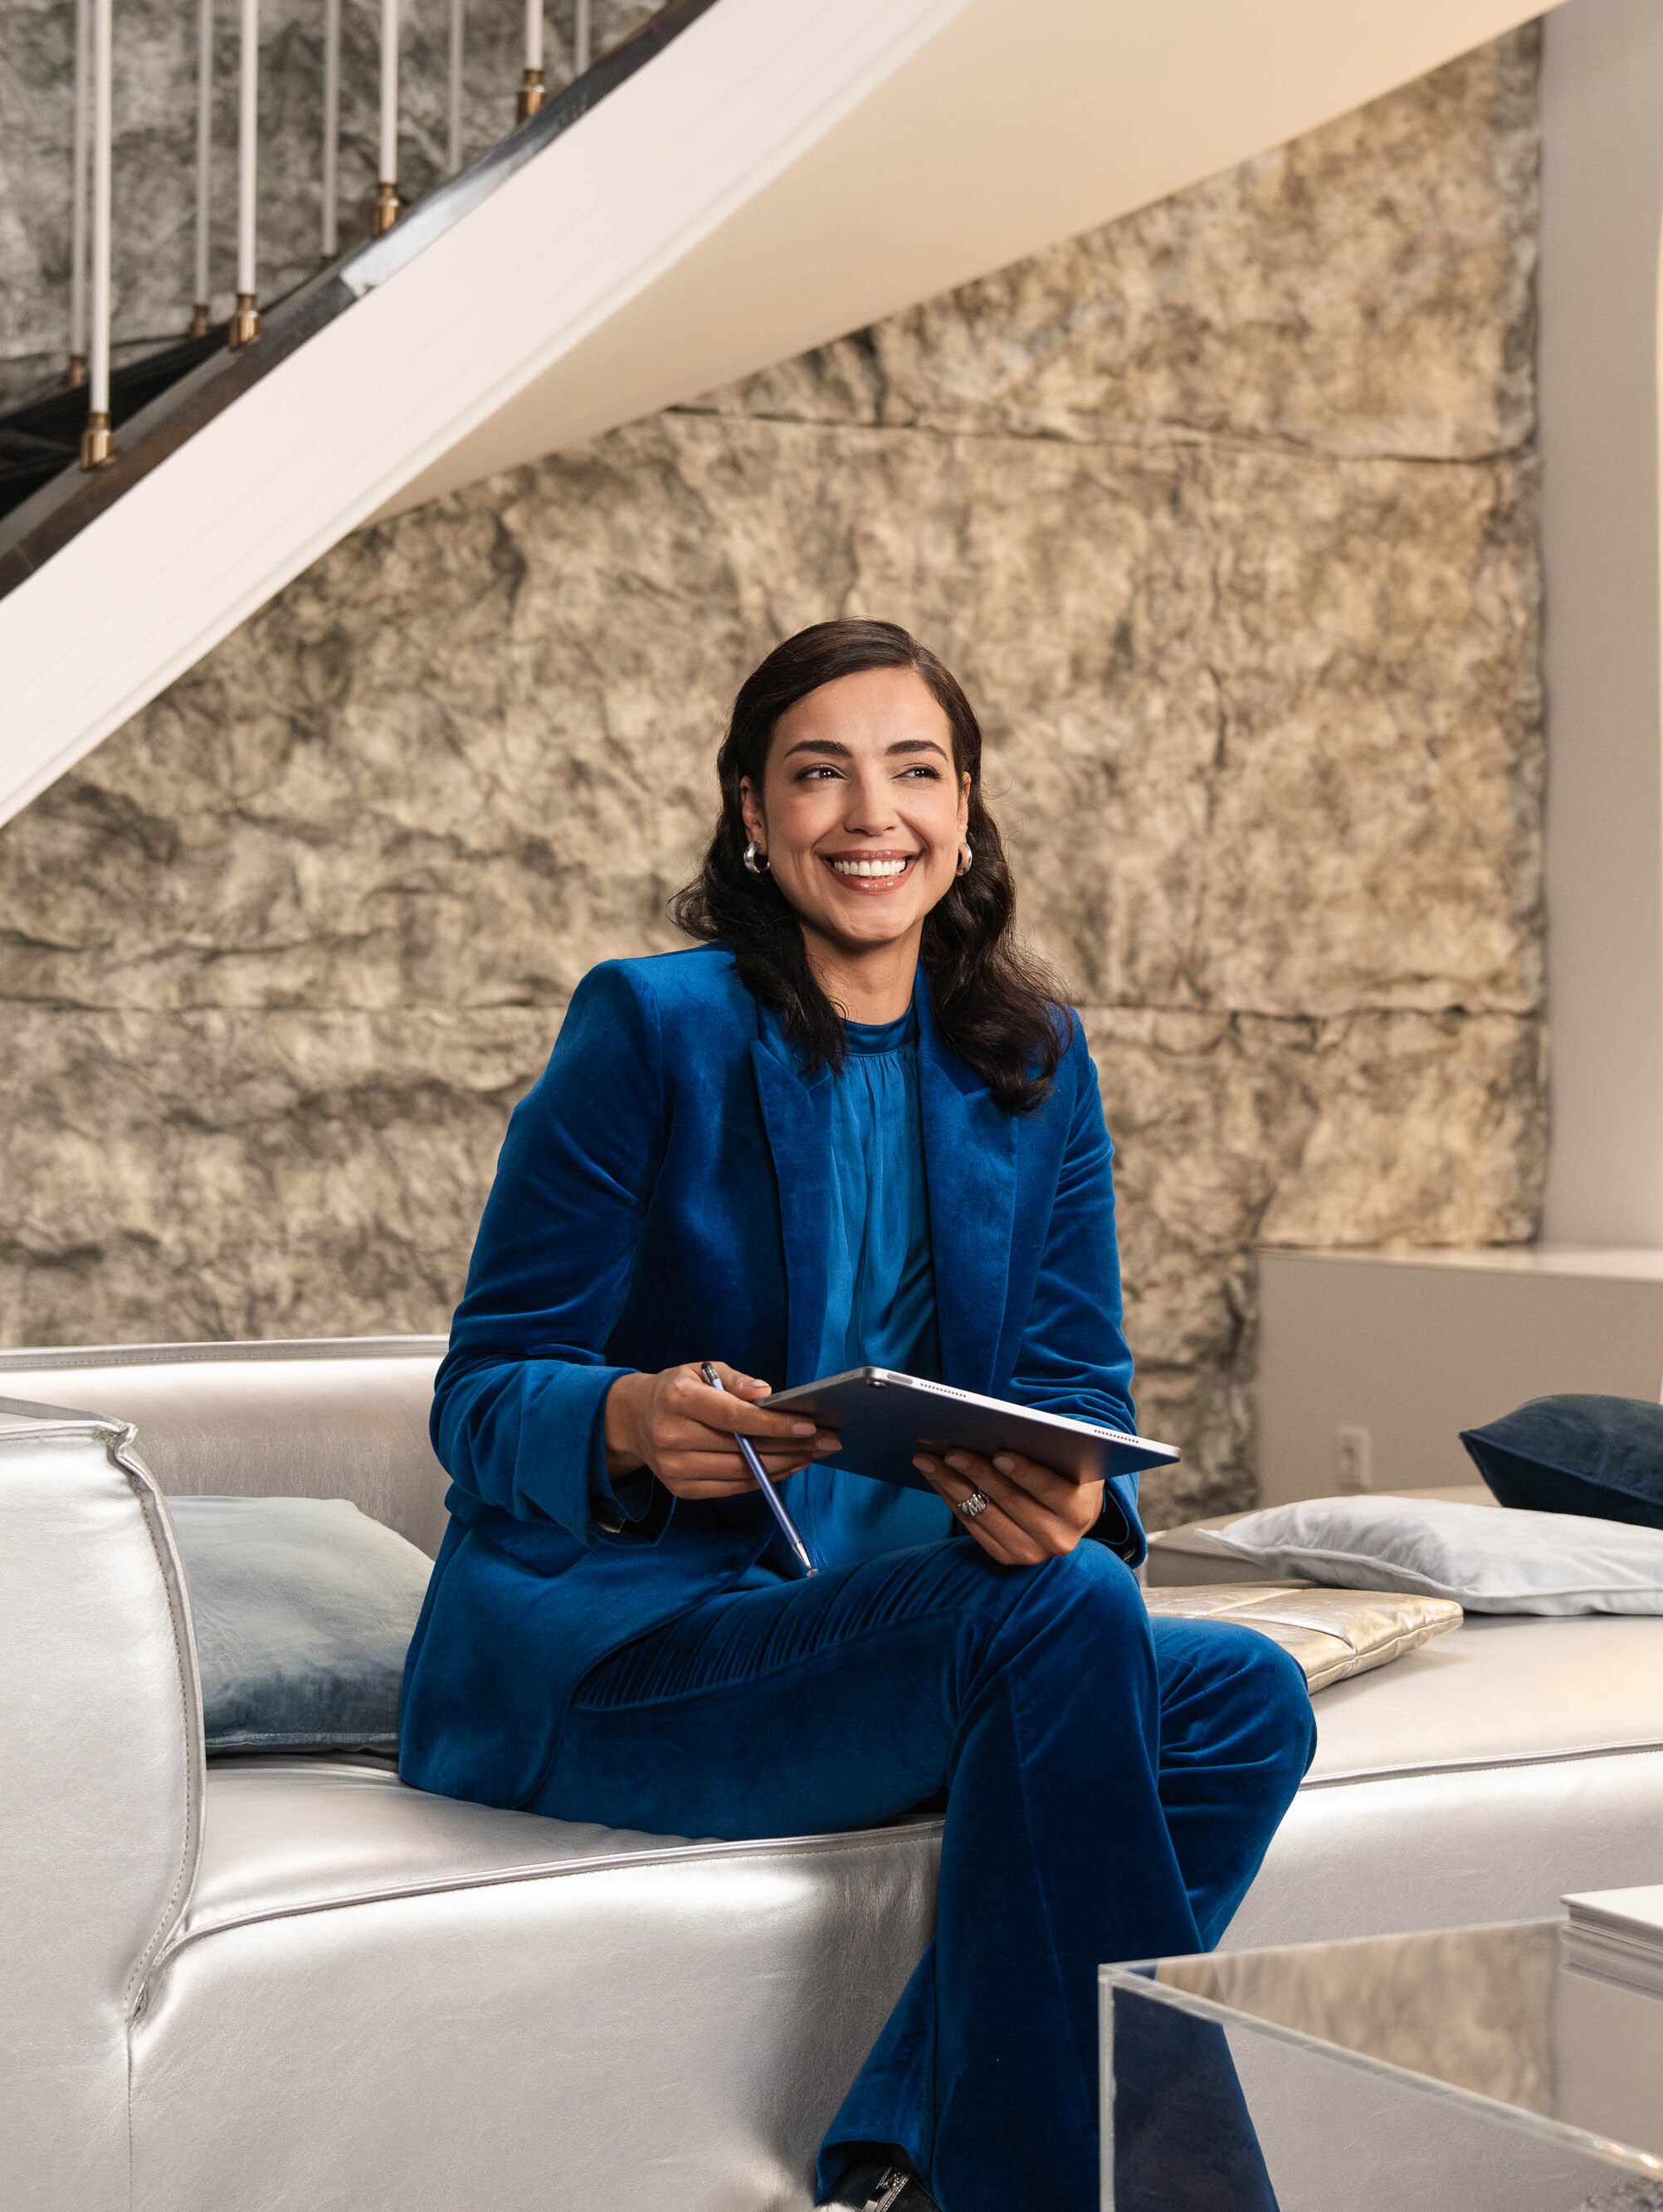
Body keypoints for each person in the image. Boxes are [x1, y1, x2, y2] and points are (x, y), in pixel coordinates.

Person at [398, 618, 1316, 2212]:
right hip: (639, 1654)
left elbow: (1079, 1386)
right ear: (751, 810)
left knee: (1246, 1694)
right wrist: (626, 1415)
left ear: (965, 810)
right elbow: (483, 1388)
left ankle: (896, 2153)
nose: (869, 814)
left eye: (915, 770)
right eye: (819, 773)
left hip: (895, 1634)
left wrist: (1080, 1498)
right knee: (1063, 1624)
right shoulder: (650, 1026)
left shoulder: (1033, 1062)